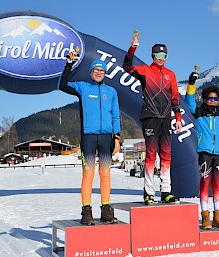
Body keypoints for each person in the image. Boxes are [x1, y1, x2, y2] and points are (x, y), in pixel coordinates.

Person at [58, 51, 121, 226]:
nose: (99, 72)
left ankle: (106, 210)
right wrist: (69, 64)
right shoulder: (83, 88)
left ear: (105, 73)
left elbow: (115, 115)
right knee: (88, 174)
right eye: (96, 70)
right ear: (91, 72)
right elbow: (62, 85)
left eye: (102, 70)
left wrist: (117, 137)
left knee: (105, 174)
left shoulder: (112, 92)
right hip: (88, 137)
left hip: (107, 137)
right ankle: (86, 211)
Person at [122, 33, 182, 205]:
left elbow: (175, 98)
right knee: (150, 155)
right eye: (158, 55)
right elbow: (126, 66)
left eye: (164, 56)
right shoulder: (144, 71)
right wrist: (133, 47)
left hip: (165, 119)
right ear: (153, 56)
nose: (161, 58)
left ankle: (166, 191)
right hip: (150, 117)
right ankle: (148, 192)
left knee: (166, 155)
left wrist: (177, 117)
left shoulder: (171, 74)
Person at [185, 71, 219, 229]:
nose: (212, 101)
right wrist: (191, 84)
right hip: (205, 153)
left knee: (217, 185)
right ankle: (205, 216)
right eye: (209, 98)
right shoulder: (199, 112)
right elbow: (189, 101)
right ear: (204, 99)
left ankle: (218, 217)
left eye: (215, 98)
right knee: (205, 184)